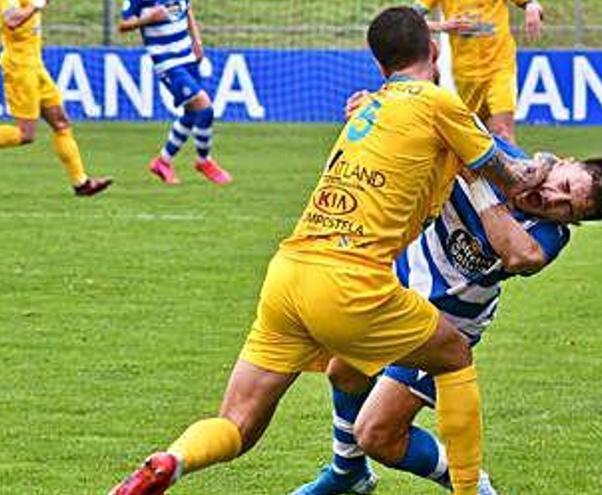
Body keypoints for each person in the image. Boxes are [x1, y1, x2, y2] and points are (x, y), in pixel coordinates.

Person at [109, 8, 553, 495]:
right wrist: (542, 167)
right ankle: (470, 488)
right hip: (349, 281)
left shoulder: (366, 109)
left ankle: (173, 459)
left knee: (238, 424)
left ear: (380, 66)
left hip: (289, 273)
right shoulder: (439, 104)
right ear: (433, 52)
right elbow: (511, 180)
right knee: (453, 352)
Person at [290, 130, 602, 495]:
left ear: (571, 222)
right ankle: (348, 472)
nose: (552, 198)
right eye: (562, 184)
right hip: (398, 291)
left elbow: (520, 256)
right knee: (344, 372)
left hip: (445, 327)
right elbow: (428, 119)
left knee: (378, 435)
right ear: (563, 162)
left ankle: (467, 481)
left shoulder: (548, 235)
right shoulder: (498, 155)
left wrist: (478, 182)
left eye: (567, 206)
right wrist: (373, 113)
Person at [0, 0, 111, 197]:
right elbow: (11, 20)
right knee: (26, 134)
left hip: (36, 65)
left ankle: (81, 183)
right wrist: (36, 5)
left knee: (61, 124)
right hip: (20, 69)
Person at [118, 0, 231, 185]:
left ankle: (162, 161)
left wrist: (196, 40)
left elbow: (187, 9)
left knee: (192, 113)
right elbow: (123, 25)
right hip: (168, 63)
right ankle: (204, 161)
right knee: (205, 108)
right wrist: (147, 19)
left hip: (187, 57)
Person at [415, 0, 545, 143]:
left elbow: (529, 3)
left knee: (502, 133)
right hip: (465, 74)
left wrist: (532, 7)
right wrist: (443, 26)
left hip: (499, 66)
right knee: (477, 141)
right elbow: (410, 19)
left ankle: (519, 164)